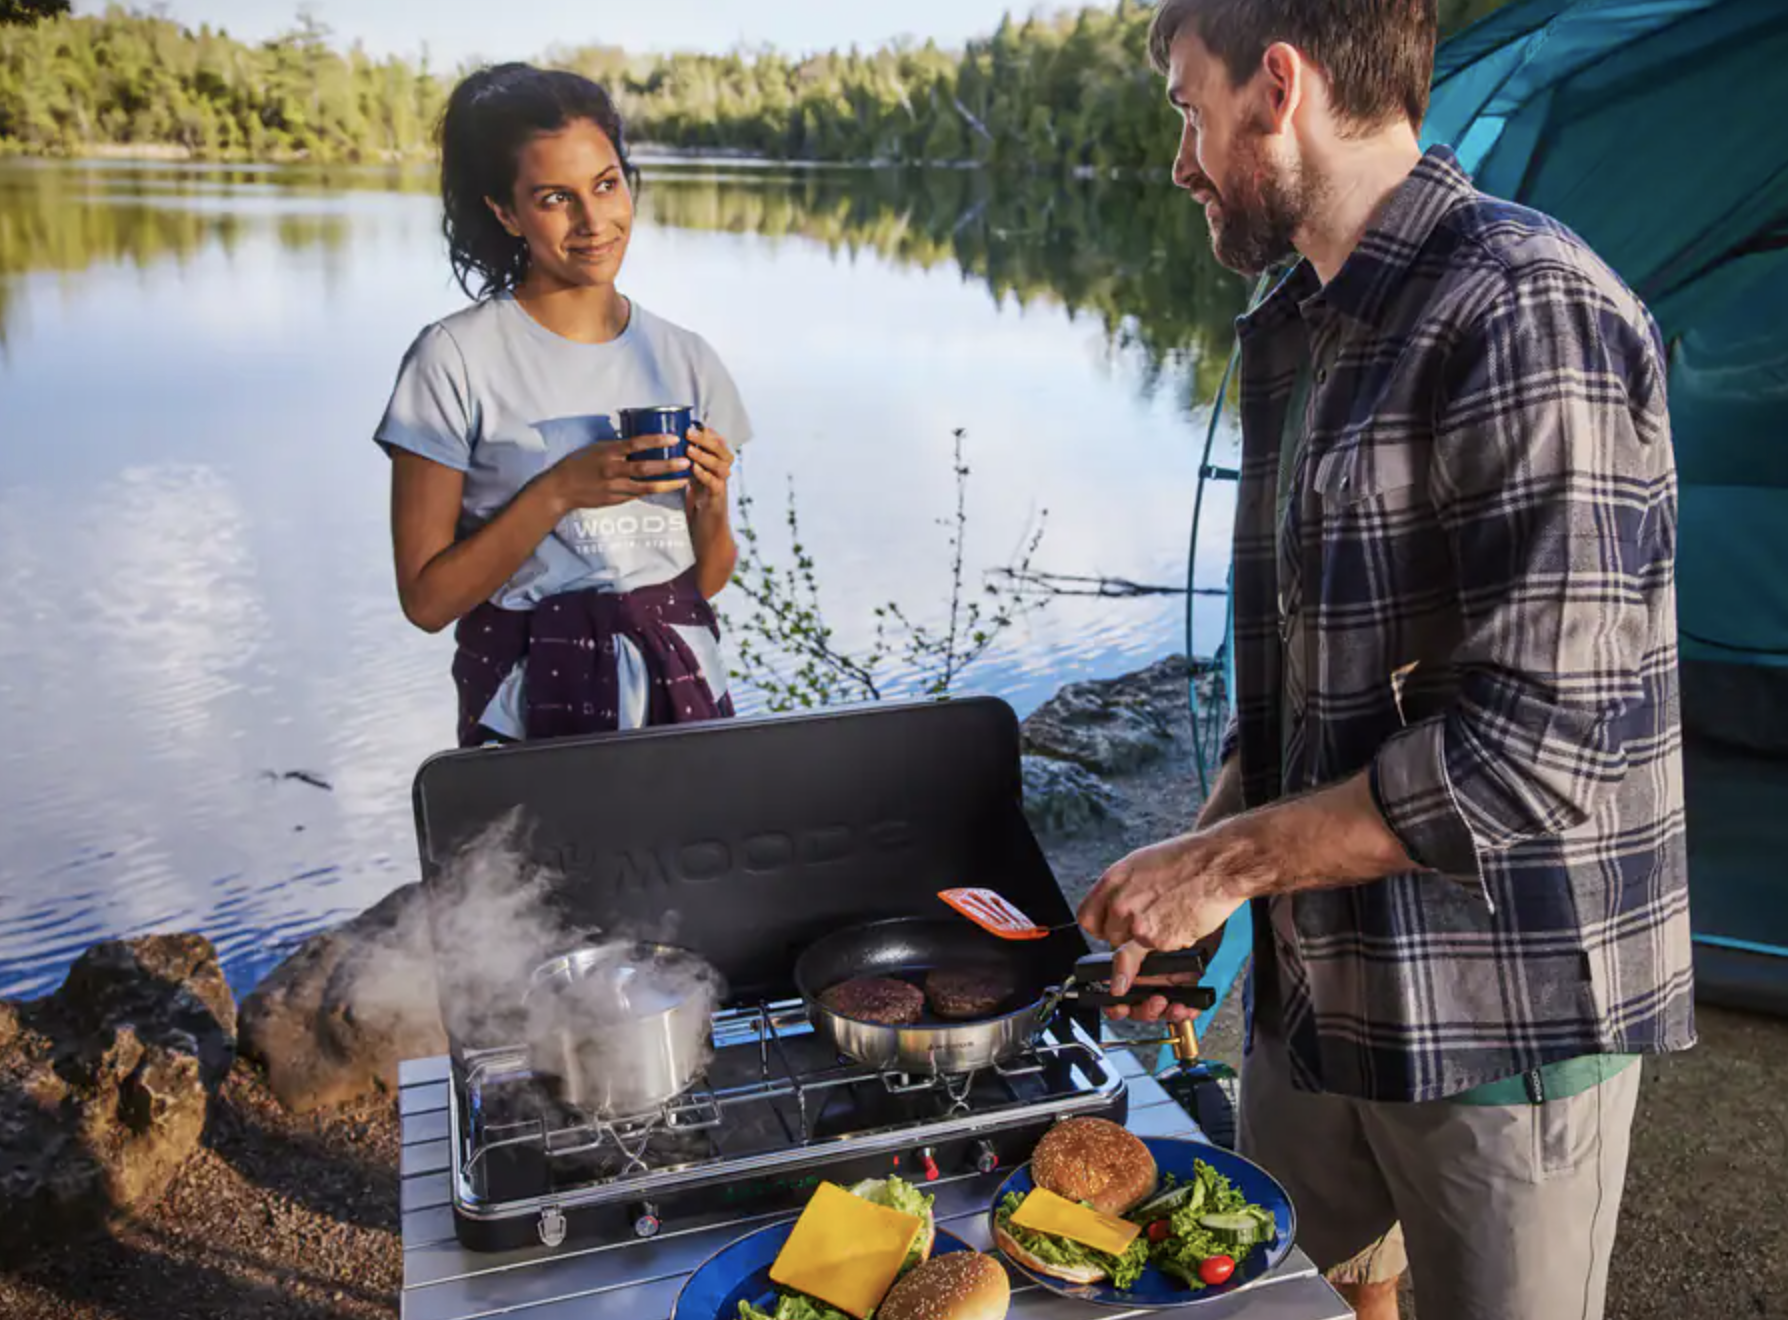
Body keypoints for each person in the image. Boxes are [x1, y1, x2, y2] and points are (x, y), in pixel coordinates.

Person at [1077, 3, 1694, 1318]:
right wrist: (1199, 888)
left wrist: (1223, 866)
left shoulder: (1525, 310)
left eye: (1190, 109)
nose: (1181, 160)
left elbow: (1535, 757)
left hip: (1502, 1013)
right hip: (1318, 997)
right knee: (1271, 1295)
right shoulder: (1306, 323)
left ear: (1278, 87)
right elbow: (1310, 678)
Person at [374, 63, 750, 746]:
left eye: (606, 185)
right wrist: (556, 493)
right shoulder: (453, 359)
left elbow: (711, 577)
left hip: (681, 686)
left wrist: (712, 502)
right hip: (526, 700)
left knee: (691, 857)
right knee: (539, 861)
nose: (593, 221)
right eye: (555, 198)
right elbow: (427, 603)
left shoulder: (687, 358)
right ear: (505, 211)